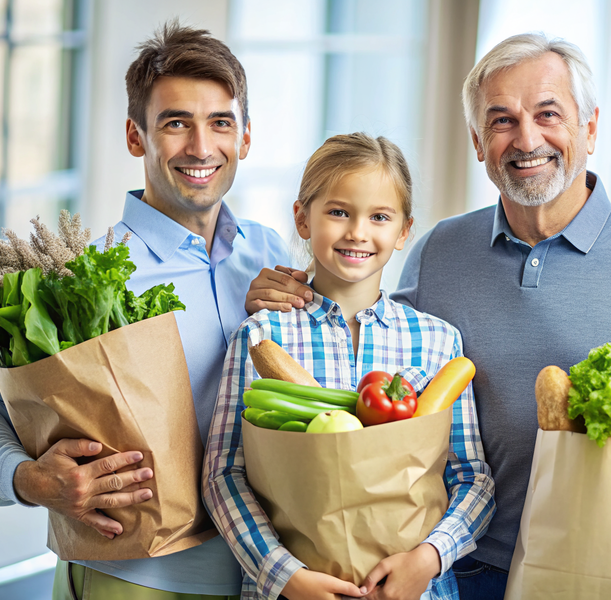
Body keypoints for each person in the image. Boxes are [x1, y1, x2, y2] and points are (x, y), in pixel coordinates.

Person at [386, 33, 611, 600]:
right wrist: (298, 291)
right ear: (478, 142)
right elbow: (380, 386)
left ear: (591, 129)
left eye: (548, 113)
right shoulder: (438, 253)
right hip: (458, 570)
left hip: (608, 576)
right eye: (501, 121)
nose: (526, 139)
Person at [0, 22, 292, 599]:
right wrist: (31, 479)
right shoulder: (83, 277)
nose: (201, 147)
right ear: (136, 137)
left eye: (220, 123)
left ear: (247, 137)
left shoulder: (270, 254)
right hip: (130, 578)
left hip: (267, 575)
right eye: (176, 123)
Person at [204, 133, 495, 600]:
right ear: (302, 218)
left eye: (379, 217)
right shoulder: (261, 337)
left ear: (404, 232)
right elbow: (224, 475)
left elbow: (471, 476)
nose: (358, 232)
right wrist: (285, 576)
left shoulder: (439, 342)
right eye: (338, 212)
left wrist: (428, 559)